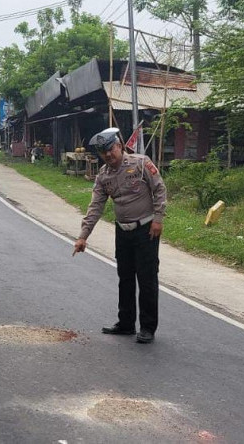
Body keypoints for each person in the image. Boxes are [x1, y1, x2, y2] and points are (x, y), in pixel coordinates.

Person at [73, 128, 167, 344]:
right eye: (103, 152)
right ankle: (126, 323)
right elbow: (95, 206)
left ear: (120, 146)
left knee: (147, 279)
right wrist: (83, 236)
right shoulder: (103, 176)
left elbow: (160, 189)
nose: (108, 155)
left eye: (111, 149)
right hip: (122, 232)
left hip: (146, 230)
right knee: (125, 278)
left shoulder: (141, 163)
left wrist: (158, 219)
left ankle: (147, 327)